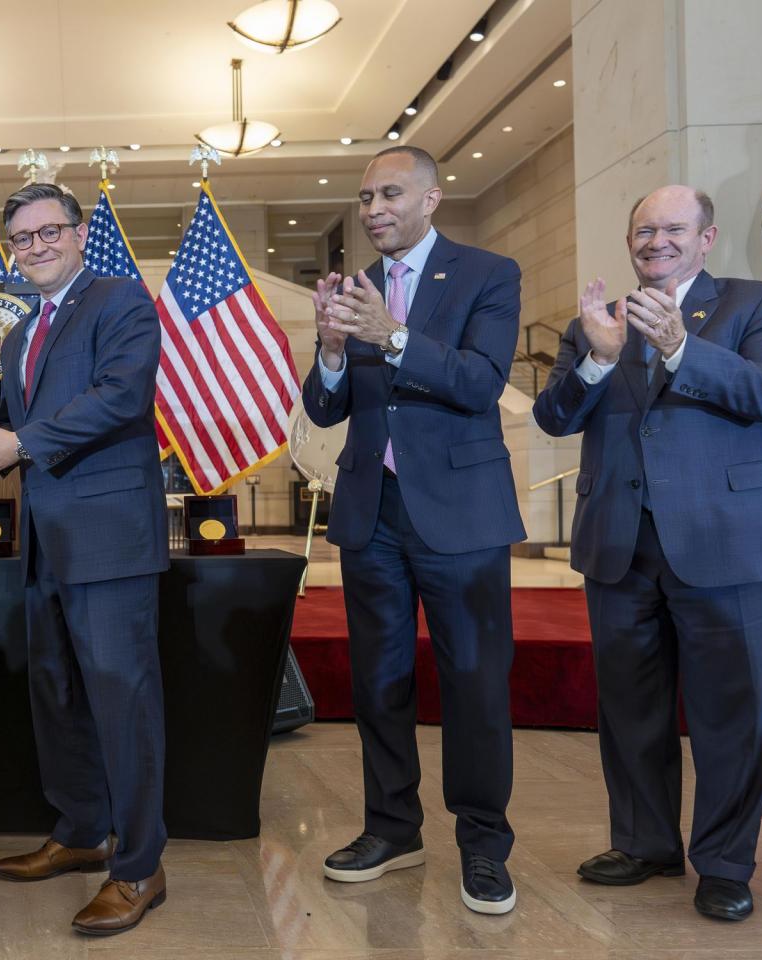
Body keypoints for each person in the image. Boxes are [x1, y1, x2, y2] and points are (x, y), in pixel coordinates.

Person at [533, 185, 762, 921]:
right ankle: (644, 844)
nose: (655, 241)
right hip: (619, 546)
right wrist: (599, 362)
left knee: (735, 712)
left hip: (724, 545)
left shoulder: (753, 303)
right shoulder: (598, 323)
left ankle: (725, 863)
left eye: (674, 228)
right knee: (631, 710)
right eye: (643, 230)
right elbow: (551, 416)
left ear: (707, 238)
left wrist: (678, 347)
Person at [302, 145, 525, 914]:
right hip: (372, 515)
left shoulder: (487, 275)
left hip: (460, 515)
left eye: (389, 194)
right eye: (365, 199)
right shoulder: (357, 288)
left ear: (432, 199)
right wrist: (332, 351)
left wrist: (390, 334)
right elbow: (328, 408)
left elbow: (479, 381)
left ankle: (484, 845)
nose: (373, 211)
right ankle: (393, 829)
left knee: (474, 683)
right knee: (380, 683)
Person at [0, 183, 169, 936]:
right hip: (44, 539)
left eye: (52, 231)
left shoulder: (119, 301)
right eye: (23, 237)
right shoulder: (18, 336)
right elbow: (13, 424)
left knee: (123, 700)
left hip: (111, 538)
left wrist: (17, 441)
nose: (38, 246)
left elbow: (121, 394)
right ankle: (82, 831)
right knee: (58, 694)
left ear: (81, 235)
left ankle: (140, 865)